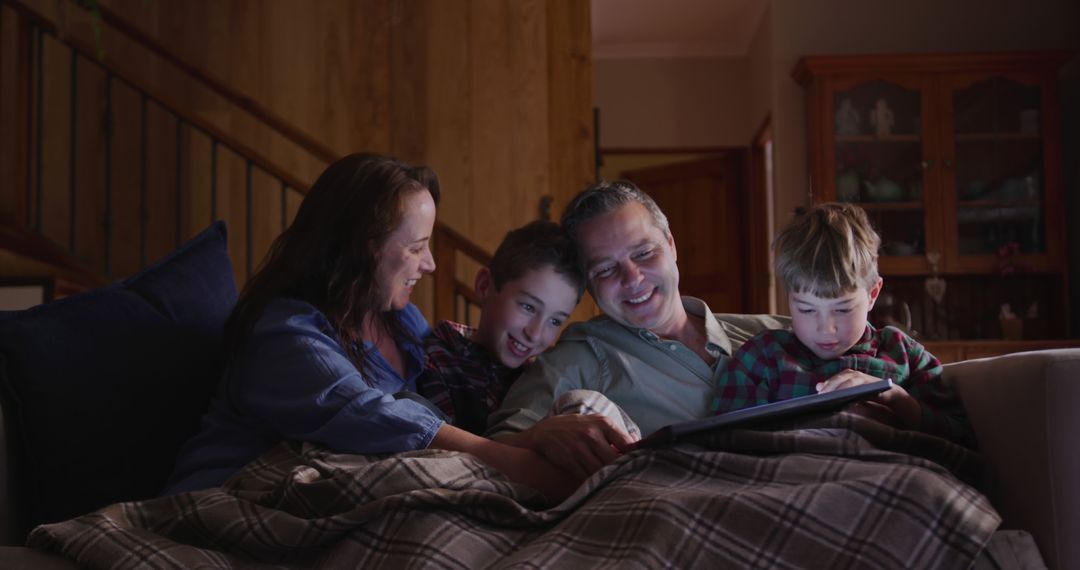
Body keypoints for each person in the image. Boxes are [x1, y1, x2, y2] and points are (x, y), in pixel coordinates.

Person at [165, 153, 577, 500]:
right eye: (417, 247)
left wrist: (532, 437)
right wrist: (521, 463)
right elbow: (370, 417)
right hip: (234, 495)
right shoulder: (284, 334)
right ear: (364, 248)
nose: (431, 264)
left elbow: (433, 423)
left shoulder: (403, 322)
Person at [486, 180, 789, 479]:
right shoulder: (582, 354)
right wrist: (539, 435)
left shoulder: (771, 331)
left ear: (671, 245)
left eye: (644, 253)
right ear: (590, 287)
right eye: (605, 270)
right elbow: (495, 446)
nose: (632, 278)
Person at [711, 202, 974, 447]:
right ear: (789, 298)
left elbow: (960, 436)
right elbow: (722, 441)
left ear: (872, 295)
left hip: (886, 474)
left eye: (842, 309)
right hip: (792, 475)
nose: (826, 328)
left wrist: (897, 399)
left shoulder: (903, 353)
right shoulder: (763, 357)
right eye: (806, 309)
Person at [416, 220, 584, 435]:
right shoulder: (435, 359)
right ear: (485, 286)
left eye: (555, 321)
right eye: (528, 307)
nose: (535, 334)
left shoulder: (539, 378)